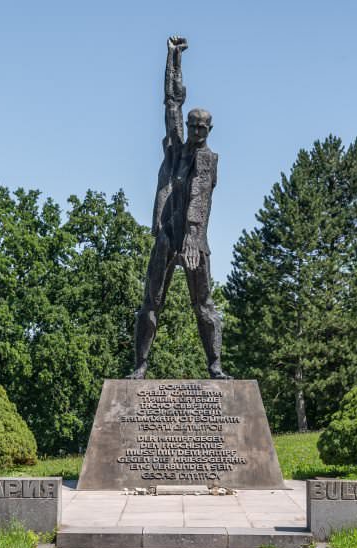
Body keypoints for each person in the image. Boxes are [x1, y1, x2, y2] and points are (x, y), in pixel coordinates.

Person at [128, 36, 230, 380]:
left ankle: (215, 366)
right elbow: (171, 102)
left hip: (194, 240)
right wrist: (173, 60)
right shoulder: (175, 150)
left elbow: (200, 195)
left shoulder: (207, 159)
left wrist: (191, 235)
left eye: (203, 127)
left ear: (209, 129)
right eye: (193, 126)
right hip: (167, 237)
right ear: (188, 127)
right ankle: (140, 366)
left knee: (204, 305)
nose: (197, 131)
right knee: (150, 303)